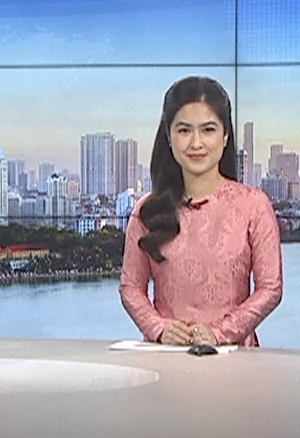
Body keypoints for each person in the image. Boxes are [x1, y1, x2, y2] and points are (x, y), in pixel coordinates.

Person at [120, 76, 283, 346]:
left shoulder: (254, 205)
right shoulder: (148, 210)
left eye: (208, 130)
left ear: (225, 135)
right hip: (166, 356)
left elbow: (270, 288)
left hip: (233, 359)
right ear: (169, 137)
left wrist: (219, 333)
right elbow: (130, 287)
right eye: (184, 130)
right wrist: (160, 328)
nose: (196, 143)